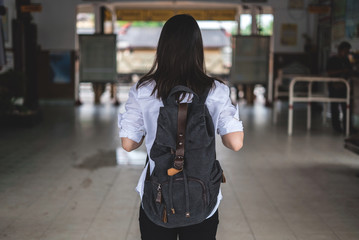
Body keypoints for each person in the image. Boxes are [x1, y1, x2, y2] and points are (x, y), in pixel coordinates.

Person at [118, 14, 244, 240]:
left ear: (162, 48)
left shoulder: (144, 89)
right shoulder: (215, 90)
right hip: (202, 197)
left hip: (157, 196)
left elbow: (128, 144)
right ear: (198, 49)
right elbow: (235, 143)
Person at [326, 41, 353, 133]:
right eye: (345, 51)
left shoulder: (346, 60)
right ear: (339, 50)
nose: (346, 53)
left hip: (344, 86)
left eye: (347, 51)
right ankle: (336, 127)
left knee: (346, 107)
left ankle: (347, 127)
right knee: (335, 107)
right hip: (334, 86)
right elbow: (329, 72)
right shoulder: (332, 60)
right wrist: (341, 70)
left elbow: (349, 71)